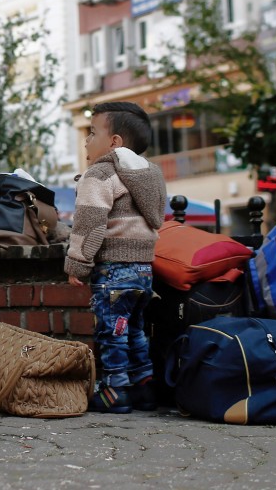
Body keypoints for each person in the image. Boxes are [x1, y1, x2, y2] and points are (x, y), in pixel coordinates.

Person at [66, 101, 167, 414]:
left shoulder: (99, 174)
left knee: (111, 331)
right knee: (134, 329)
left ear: (115, 143)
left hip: (113, 271)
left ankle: (115, 390)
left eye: (93, 132)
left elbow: (89, 224)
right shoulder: (151, 175)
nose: (86, 140)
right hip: (144, 269)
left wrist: (78, 264)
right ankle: (144, 386)